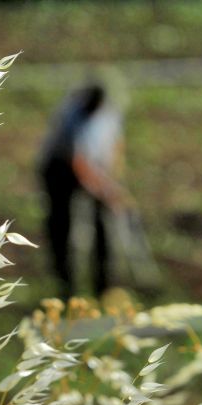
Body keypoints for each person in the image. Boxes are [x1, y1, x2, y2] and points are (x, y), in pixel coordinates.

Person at [37, 83, 129, 300]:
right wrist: (104, 188)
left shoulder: (110, 115)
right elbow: (79, 161)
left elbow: (116, 145)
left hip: (96, 167)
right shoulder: (72, 115)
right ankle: (65, 286)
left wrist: (112, 181)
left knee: (103, 224)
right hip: (60, 168)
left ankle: (103, 286)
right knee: (61, 225)